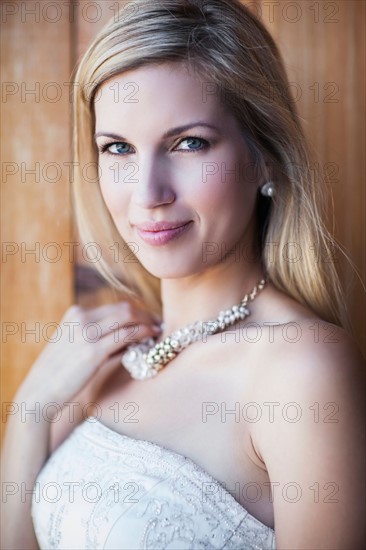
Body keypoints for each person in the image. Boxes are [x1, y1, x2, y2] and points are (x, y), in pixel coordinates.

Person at [2, 0, 365, 548]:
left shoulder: (302, 368)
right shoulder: (96, 361)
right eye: (118, 148)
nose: (148, 195)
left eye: (189, 143)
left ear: (264, 155)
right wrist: (29, 415)